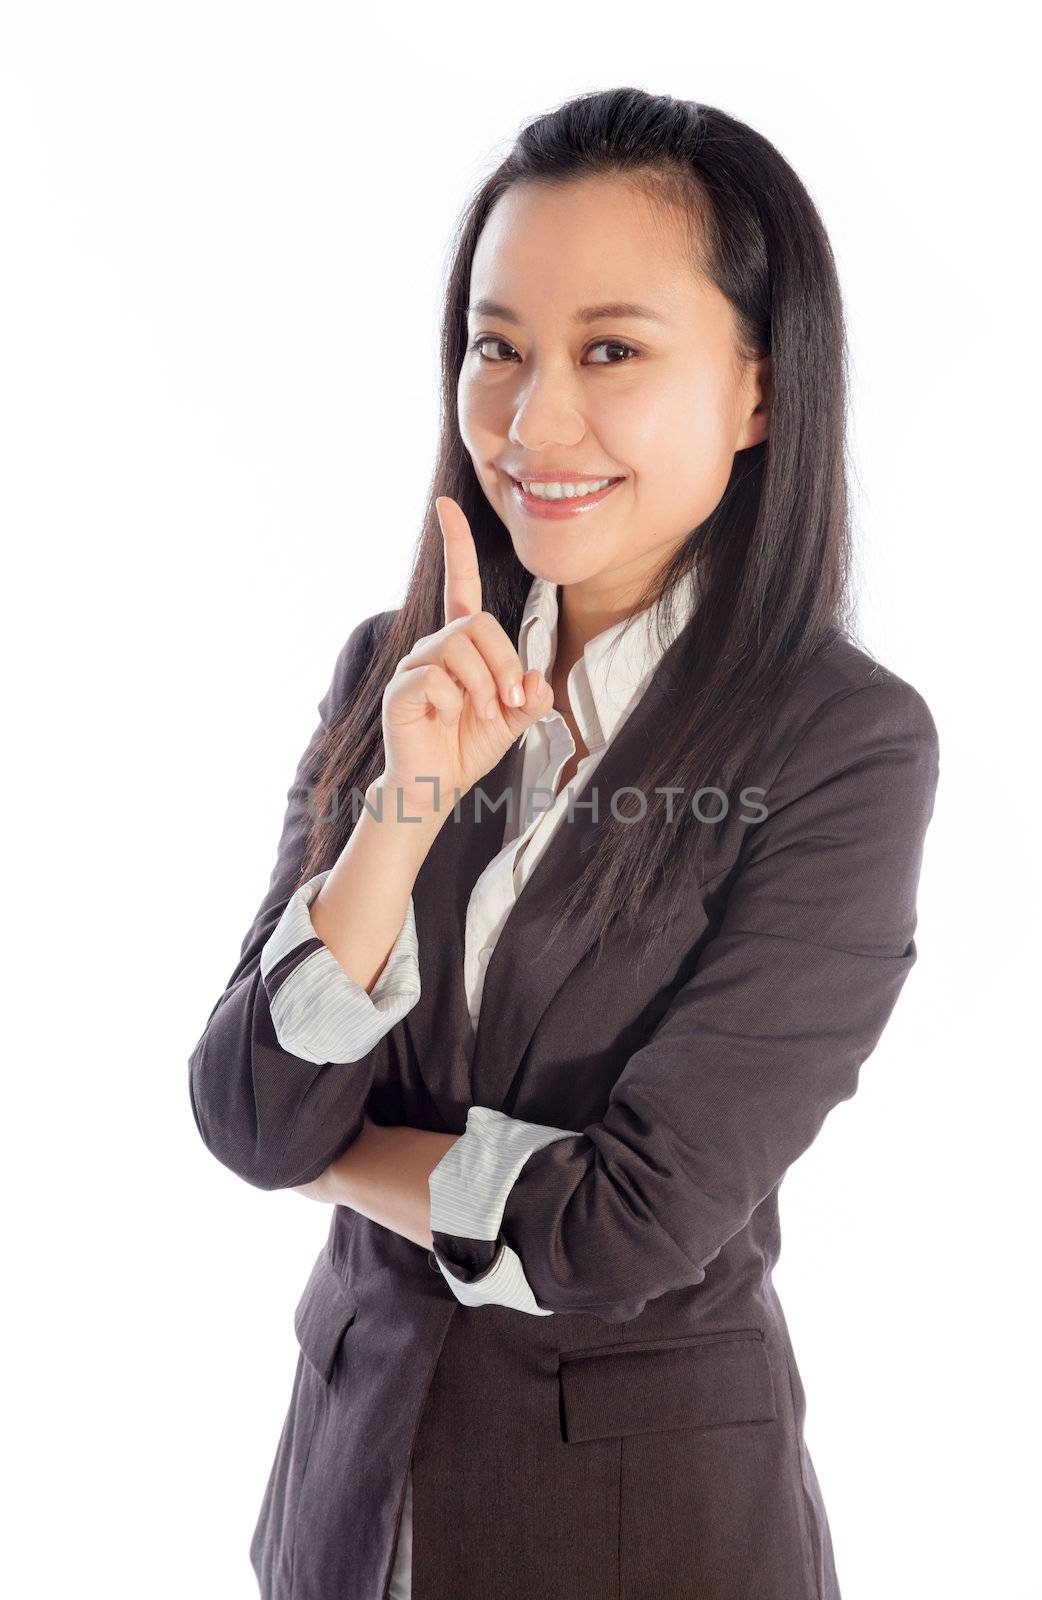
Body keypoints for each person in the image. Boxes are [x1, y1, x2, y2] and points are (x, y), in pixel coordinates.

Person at [189, 87, 940, 1600]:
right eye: (498, 347)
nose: (533, 423)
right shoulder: (389, 675)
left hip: (639, 1536)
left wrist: (337, 1157)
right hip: (346, 1516)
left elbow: (625, 1227)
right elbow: (249, 1110)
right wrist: (399, 812)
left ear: (761, 391)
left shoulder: (841, 747)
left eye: (611, 351)